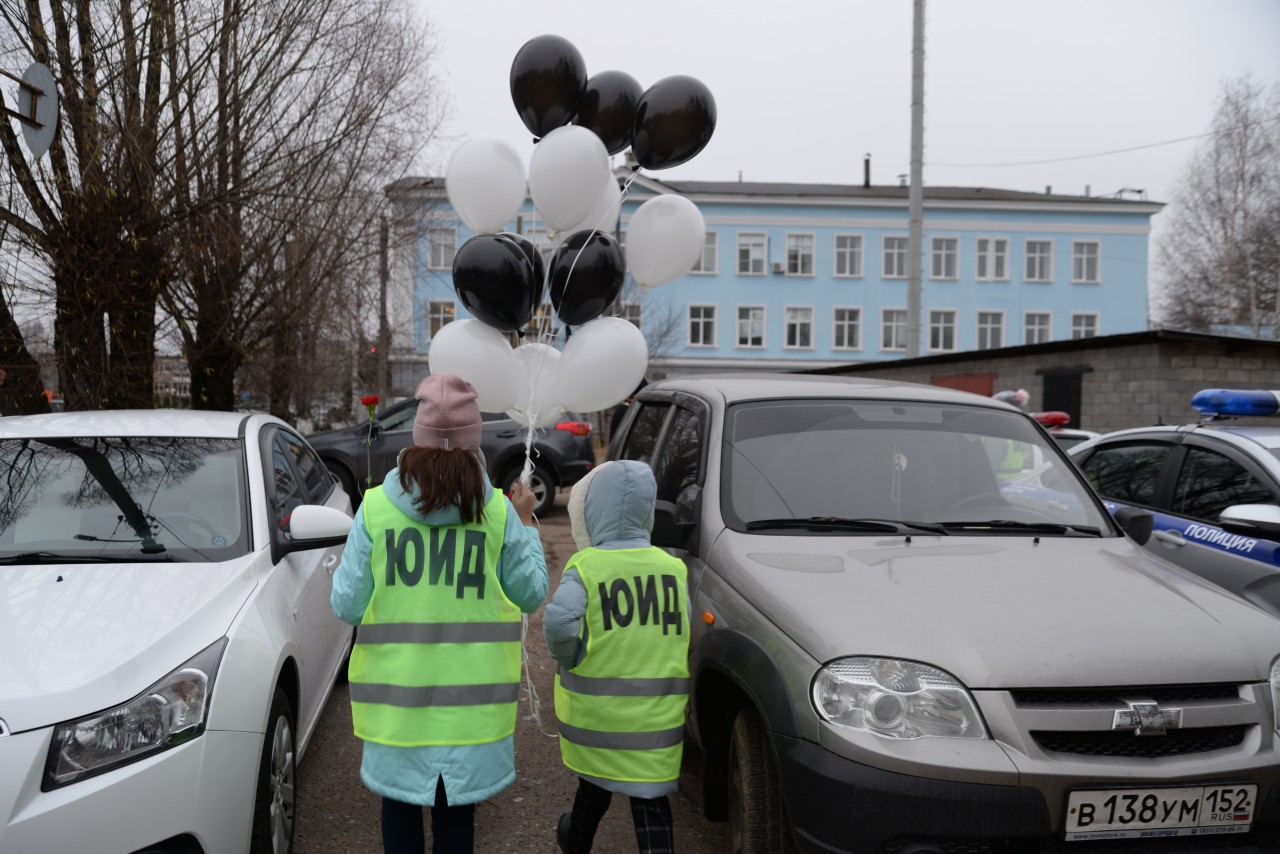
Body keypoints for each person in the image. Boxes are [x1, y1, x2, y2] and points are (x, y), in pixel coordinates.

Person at [331, 373, 548, 854]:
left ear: (416, 439)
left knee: (400, 811)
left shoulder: (375, 510)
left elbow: (345, 604)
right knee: (456, 824)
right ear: (474, 442)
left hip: (397, 711)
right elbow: (532, 593)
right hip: (471, 715)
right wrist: (527, 519)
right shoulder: (497, 512)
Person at [543, 460, 690, 854]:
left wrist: (570, 657)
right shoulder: (672, 569)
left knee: (595, 784)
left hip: (599, 718)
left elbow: (559, 622)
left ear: (592, 511)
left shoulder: (587, 567)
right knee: (650, 799)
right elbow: (683, 628)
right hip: (656, 719)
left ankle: (574, 842)